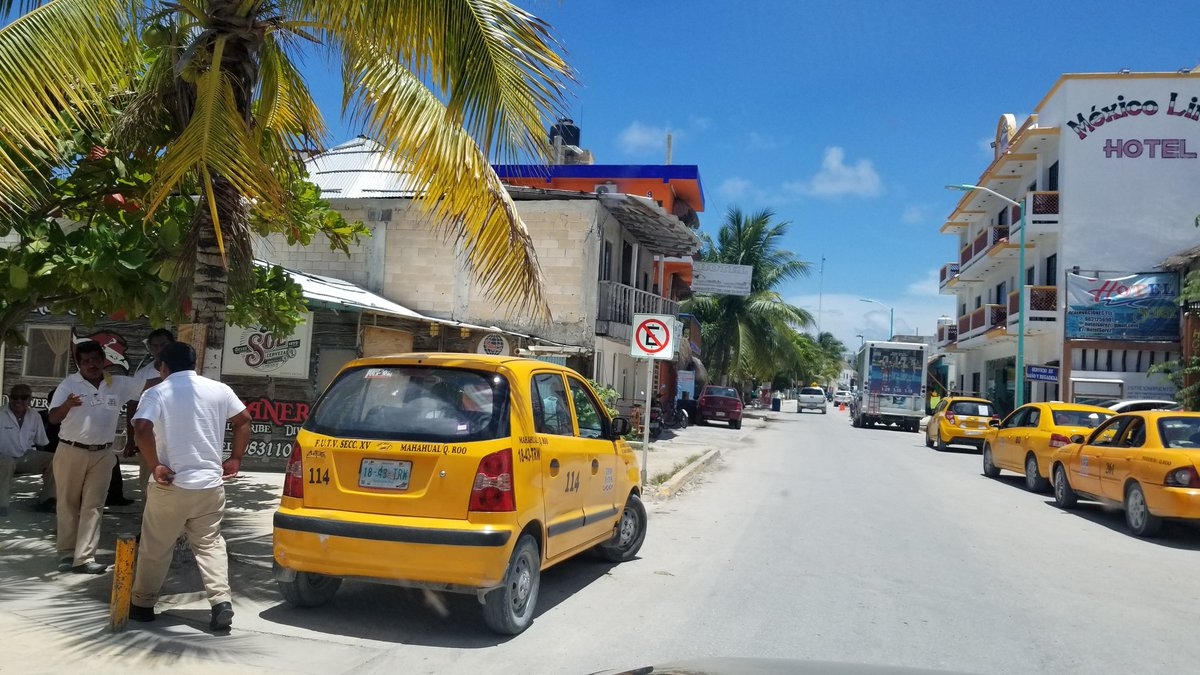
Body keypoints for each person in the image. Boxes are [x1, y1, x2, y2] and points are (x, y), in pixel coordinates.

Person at [129, 341, 251, 632]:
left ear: (163, 366)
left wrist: (156, 464)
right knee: (209, 544)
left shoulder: (157, 392)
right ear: (194, 364)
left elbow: (142, 428)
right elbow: (244, 420)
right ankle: (221, 601)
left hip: (171, 484)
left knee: (156, 547)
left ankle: (143, 605)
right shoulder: (219, 390)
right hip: (210, 485)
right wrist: (234, 458)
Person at [49, 340, 146, 574]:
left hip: (103, 453)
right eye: (86, 361)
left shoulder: (118, 383)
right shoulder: (69, 384)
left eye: (95, 359)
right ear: (79, 364)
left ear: (104, 360)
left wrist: (176, 374)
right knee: (68, 504)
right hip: (71, 451)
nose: (91, 365)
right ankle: (66, 553)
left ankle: (85, 558)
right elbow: (53, 417)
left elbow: (149, 384)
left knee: (94, 506)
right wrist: (68, 405)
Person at [127, 328, 175, 495]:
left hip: (177, 439)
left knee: (178, 487)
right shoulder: (142, 374)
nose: (159, 350)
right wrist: (130, 439)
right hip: (150, 440)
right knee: (150, 485)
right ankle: (148, 520)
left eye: (163, 345)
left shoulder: (183, 370)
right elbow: (133, 407)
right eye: (154, 346)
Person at [0, 384, 50, 517]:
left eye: (23, 397)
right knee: (6, 463)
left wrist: (41, 459)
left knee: (55, 459)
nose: (19, 401)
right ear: (10, 398)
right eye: (15, 397)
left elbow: (41, 442)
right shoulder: (0, 414)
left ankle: (48, 500)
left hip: (25, 456)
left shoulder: (35, 416)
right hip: (3, 456)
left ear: (30, 400)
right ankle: (2, 505)